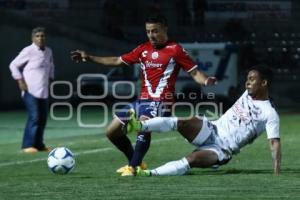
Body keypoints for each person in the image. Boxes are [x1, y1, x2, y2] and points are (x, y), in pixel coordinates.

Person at [71, 14, 217, 176]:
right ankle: (136, 161)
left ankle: (132, 168)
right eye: (148, 31)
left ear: (165, 29)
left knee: (143, 124)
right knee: (112, 132)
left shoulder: (175, 50)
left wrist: (206, 81)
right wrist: (89, 57)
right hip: (142, 101)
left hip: (162, 101)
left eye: (155, 31)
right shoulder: (143, 49)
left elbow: (195, 72)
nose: (151, 35)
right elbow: (116, 61)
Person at [126, 65, 281, 176]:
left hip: (222, 149)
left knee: (190, 160)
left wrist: (277, 172)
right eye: (247, 79)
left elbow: (274, 143)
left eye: (252, 79)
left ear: (264, 83)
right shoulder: (246, 94)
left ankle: (148, 173)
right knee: (181, 122)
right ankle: (139, 125)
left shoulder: (269, 113)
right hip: (211, 129)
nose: (247, 82)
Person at [9, 27, 54, 153]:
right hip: (30, 91)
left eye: (42, 36)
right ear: (33, 38)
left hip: (43, 91)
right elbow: (13, 65)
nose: (40, 38)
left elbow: (51, 66)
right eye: (37, 36)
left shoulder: (49, 51)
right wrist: (20, 81)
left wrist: (50, 78)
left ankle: (39, 145)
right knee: (34, 117)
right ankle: (27, 145)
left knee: (42, 118)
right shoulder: (28, 51)